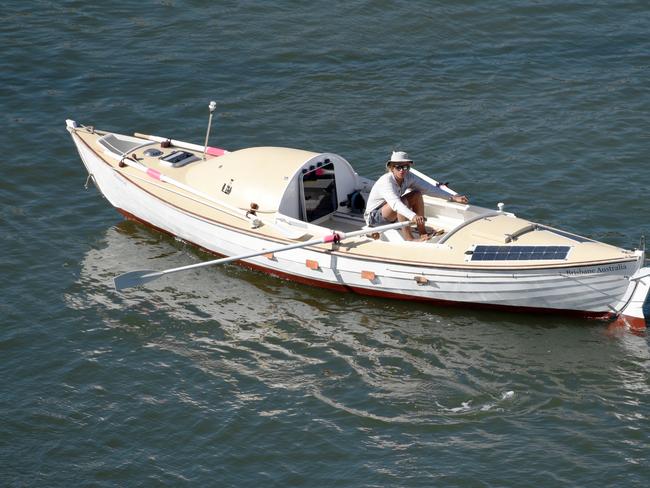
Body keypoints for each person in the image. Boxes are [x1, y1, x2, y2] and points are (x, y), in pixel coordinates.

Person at [364, 151, 469, 241]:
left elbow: (428, 188)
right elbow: (396, 204)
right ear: (392, 168)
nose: (402, 170)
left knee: (417, 194)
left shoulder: (409, 177)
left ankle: (422, 232)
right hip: (374, 217)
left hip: (391, 212)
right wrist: (413, 216)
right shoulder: (386, 182)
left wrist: (452, 197)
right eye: (398, 167)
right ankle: (409, 239)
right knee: (402, 202)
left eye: (406, 167)